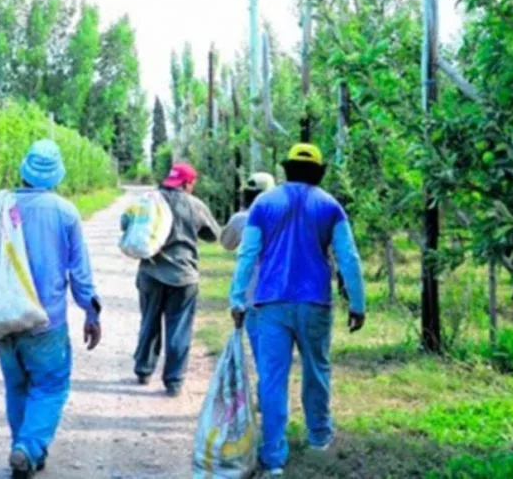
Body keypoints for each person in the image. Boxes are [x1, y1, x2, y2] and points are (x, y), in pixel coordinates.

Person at [228, 143, 366, 476]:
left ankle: (273, 457)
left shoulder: (264, 203)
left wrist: (237, 297)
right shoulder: (331, 206)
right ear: (319, 172)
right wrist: (357, 303)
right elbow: (348, 258)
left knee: (272, 378)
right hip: (314, 303)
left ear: (287, 169)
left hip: (271, 303)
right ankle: (319, 436)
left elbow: (247, 254)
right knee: (316, 371)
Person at [0, 139, 103, 479]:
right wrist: (91, 311)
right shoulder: (65, 212)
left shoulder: (0, 207)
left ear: (24, 171)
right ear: (56, 175)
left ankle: (25, 447)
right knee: (51, 384)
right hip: (46, 321)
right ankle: (27, 447)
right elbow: (79, 272)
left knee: (17, 385)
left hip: (3, 318)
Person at [129, 162, 220, 397]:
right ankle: (174, 380)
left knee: (149, 321)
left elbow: (126, 224)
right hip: (183, 277)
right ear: (188, 183)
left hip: (150, 272)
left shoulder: (149, 200)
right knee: (178, 327)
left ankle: (143, 369)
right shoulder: (195, 205)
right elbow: (213, 235)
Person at [219, 172, 275, 388]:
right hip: (280, 292)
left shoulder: (241, 219)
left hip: (251, 293)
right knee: (277, 350)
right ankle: (269, 392)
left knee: (260, 348)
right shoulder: (283, 217)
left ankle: (266, 391)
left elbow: (226, 243)